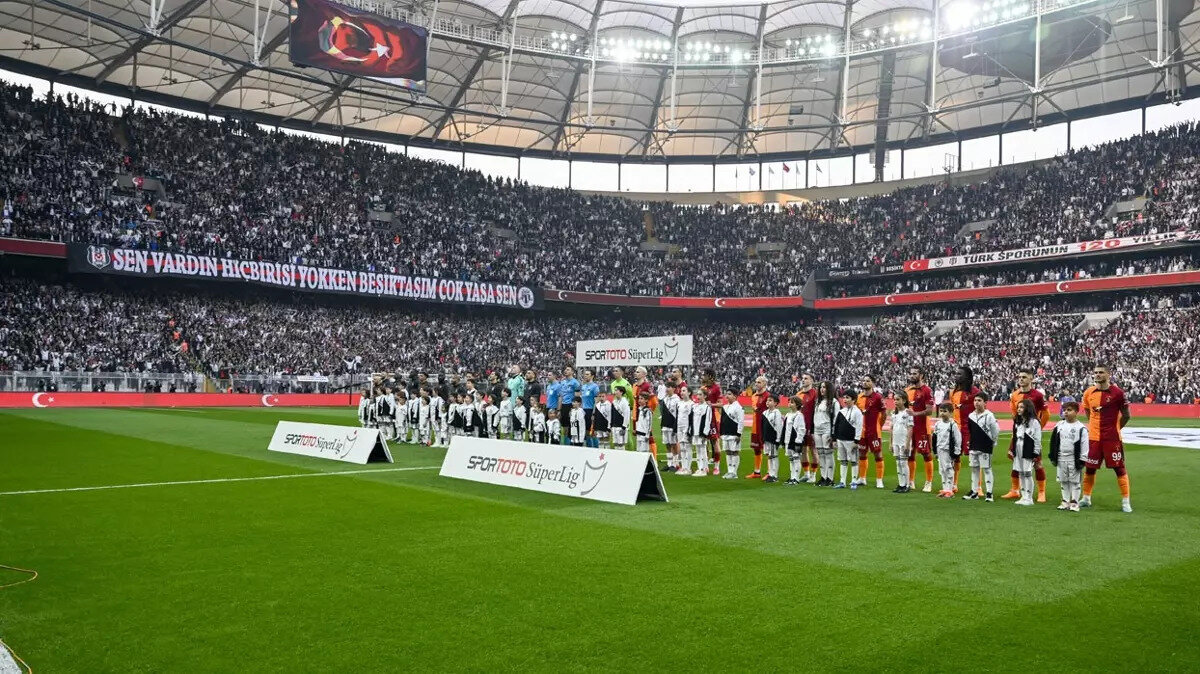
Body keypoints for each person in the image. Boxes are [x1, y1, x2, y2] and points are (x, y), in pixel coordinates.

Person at [1080, 365, 1133, 512]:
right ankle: (1086, 498)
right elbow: (1087, 411)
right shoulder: (1088, 393)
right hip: (1094, 438)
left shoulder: (1118, 393)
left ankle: (1125, 501)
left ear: (1108, 374)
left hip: (1112, 439)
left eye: (1101, 372)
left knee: (1119, 468)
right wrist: (1094, 426)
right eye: (1095, 372)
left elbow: (1127, 415)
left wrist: (1115, 429)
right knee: (1090, 468)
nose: (1097, 375)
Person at [1005, 367, 1050, 502]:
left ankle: (1041, 492)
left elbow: (1046, 414)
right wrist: (1017, 430)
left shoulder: (1037, 395)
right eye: (1019, 377)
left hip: (1031, 435)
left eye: (1024, 377)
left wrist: (1036, 429)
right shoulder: (1015, 395)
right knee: (1015, 461)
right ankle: (1015, 490)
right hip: (1018, 432)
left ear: (1031, 378)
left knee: (1037, 463)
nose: (1021, 379)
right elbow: (1014, 415)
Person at [1050, 400, 1088, 512]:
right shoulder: (1059, 426)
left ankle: (1074, 502)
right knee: (1063, 480)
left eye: (1069, 410)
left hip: (1073, 458)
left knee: (1075, 481)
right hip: (1061, 457)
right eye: (1064, 410)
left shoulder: (1081, 428)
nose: (1066, 412)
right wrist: (1053, 456)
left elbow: (1084, 444)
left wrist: (1083, 459)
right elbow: (1054, 442)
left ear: (1076, 412)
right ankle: (1065, 501)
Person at [949, 366, 981, 492]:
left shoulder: (975, 392)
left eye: (959, 374)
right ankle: (954, 484)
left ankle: (978, 487)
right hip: (956, 429)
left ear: (967, 377)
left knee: (974, 457)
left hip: (970, 429)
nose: (956, 376)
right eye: (956, 373)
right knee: (954, 456)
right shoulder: (953, 392)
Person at [906, 367, 936, 492]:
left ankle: (928, 482)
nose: (912, 376)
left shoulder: (927, 390)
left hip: (922, 427)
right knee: (910, 453)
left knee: (926, 453)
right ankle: (910, 481)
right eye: (911, 373)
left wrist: (915, 414)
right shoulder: (907, 390)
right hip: (909, 427)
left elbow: (929, 411)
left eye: (915, 374)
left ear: (921, 375)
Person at [966, 393, 999, 501]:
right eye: (975, 400)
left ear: (985, 403)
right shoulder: (971, 415)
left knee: (987, 469)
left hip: (985, 445)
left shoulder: (989, 415)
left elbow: (995, 430)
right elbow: (970, 430)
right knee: (974, 469)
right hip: (974, 445)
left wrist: (992, 441)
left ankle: (989, 492)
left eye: (979, 400)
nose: (976, 402)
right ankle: (974, 491)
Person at [856, 375, 887, 489]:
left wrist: (879, 426)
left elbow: (884, 414)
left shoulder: (878, 397)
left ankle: (879, 480)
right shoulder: (859, 397)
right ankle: (862, 478)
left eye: (868, 381)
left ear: (873, 383)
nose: (865, 382)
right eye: (864, 380)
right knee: (862, 453)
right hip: (862, 432)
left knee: (878, 454)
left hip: (874, 431)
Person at [1011, 398, 1043, 506]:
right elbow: (1015, 436)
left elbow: (1037, 439)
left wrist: (1036, 452)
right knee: (1020, 472)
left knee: (1027, 472)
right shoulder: (1018, 421)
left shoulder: (1034, 422)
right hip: (1019, 446)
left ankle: (1029, 498)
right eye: (1018, 407)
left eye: (1021, 407)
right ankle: (1023, 496)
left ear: (1027, 408)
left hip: (1028, 447)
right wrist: (1013, 450)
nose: (1019, 409)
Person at [832, 390, 863, 489]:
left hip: (851, 441)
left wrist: (856, 441)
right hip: (840, 440)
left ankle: (854, 481)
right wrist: (834, 439)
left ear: (853, 400)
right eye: (844, 397)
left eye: (847, 398)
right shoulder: (841, 411)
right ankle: (842, 481)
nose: (845, 400)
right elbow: (836, 425)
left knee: (854, 461)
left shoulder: (857, 412)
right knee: (843, 461)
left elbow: (859, 427)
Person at [931, 403, 962, 498]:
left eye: (945, 411)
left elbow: (958, 438)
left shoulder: (953, 425)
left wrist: (957, 451)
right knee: (942, 469)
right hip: (940, 449)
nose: (942, 413)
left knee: (948, 468)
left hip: (948, 450)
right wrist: (935, 451)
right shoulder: (938, 424)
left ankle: (950, 489)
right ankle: (945, 488)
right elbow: (935, 437)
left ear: (951, 413)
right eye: (941, 411)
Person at [813, 382, 837, 486]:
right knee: (821, 454)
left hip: (827, 430)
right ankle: (823, 477)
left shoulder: (834, 402)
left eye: (824, 387)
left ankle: (830, 478)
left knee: (828, 454)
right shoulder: (818, 401)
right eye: (821, 387)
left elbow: (836, 419)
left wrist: (834, 435)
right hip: (817, 430)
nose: (822, 389)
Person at [747, 375, 771, 479]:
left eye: (759, 382)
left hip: (764, 427)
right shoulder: (753, 396)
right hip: (755, 427)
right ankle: (757, 472)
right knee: (756, 449)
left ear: (765, 384)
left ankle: (770, 472)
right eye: (756, 382)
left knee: (767, 450)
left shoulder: (768, 396)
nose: (756, 384)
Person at [797, 374, 819, 483]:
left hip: (812, 427)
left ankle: (813, 474)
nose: (803, 380)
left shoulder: (815, 394)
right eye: (803, 378)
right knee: (803, 451)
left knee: (813, 450)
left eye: (806, 378)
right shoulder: (799, 394)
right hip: (801, 428)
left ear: (812, 381)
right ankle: (806, 474)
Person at [700, 368, 723, 476]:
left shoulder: (716, 388)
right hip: (703, 418)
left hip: (713, 417)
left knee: (715, 441)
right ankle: (705, 466)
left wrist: (711, 404)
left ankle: (717, 467)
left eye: (704, 374)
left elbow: (721, 404)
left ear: (710, 376)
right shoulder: (702, 388)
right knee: (704, 443)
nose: (703, 376)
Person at [891, 395, 915, 493]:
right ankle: (901, 484)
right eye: (894, 400)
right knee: (898, 463)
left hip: (904, 441)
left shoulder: (908, 412)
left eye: (898, 399)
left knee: (903, 463)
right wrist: (891, 443)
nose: (895, 402)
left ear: (904, 400)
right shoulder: (894, 413)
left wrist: (907, 443)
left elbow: (910, 428)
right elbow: (891, 428)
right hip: (895, 441)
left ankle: (907, 484)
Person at [719, 391, 744, 480]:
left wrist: (739, 434)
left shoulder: (738, 407)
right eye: (727, 394)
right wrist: (721, 432)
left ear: (735, 396)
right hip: (725, 433)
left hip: (734, 434)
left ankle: (734, 472)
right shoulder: (725, 407)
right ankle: (729, 471)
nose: (727, 396)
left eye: (729, 394)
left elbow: (741, 421)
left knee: (734, 451)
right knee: (728, 451)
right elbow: (722, 421)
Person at [783, 395, 807, 485]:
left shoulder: (799, 415)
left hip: (795, 440)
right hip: (788, 440)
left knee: (796, 458)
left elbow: (801, 429)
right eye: (789, 402)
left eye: (792, 402)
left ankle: (796, 478)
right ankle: (792, 477)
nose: (789, 403)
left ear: (797, 405)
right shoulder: (788, 415)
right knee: (791, 459)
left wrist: (798, 441)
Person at [761, 395, 785, 483]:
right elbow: (762, 426)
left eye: (770, 400)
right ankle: (770, 474)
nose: (768, 402)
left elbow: (778, 426)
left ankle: (774, 475)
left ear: (775, 403)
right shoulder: (764, 413)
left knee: (773, 456)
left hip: (773, 438)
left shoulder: (776, 413)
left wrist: (778, 438)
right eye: (767, 400)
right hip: (766, 438)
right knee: (769, 456)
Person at [689, 390, 713, 477]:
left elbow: (708, 421)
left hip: (701, 432)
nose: (698, 396)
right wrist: (691, 430)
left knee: (702, 450)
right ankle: (703, 468)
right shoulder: (695, 407)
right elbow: (692, 420)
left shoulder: (707, 408)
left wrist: (705, 434)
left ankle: (702, 469)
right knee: (698, 450)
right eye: (697, 394)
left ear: (705, 396)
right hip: (695, 431)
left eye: (700, 394)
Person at [558, 366, 581, 444]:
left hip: (571, 406)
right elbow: (561, 396)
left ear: (572, 372)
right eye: (565, 369)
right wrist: (559, 409)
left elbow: (577, 397)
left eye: (568, 369)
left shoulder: (575, 383)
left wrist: (575, 409)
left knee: (572, 426)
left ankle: (571, 443)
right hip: (563, 406)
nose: (565, 371)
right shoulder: (562, 382)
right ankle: (565, 443)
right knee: (564, 427)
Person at [660, 384, 680, 471]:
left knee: (674, 444)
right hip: (665, 425)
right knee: (667, 444)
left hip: (672, 425)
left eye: (669, 387)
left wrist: (675, 427)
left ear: (674, 389)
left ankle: (675, 464)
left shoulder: (677, 400)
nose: (667, 389)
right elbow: (663, 414)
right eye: (666, 387)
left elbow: (678, 415)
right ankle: (669, 463)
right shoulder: (664, 399)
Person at [675, 386, 694, 475]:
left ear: (689, 393)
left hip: (687, 428)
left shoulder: (692, 404)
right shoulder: (679, 403)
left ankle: (688, 468)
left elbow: (692, 418)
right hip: (679, 427)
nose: (681, 393)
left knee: (687, 447)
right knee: (682, 447)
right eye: (681, 391)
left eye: (684, 391)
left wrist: (690, 429)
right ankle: (683, 467)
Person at [580, 369, 601, 448]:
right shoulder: (583, 386)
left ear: (592, 376)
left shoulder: (595, 387)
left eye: (587, 374)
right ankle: (589, 447)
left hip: (590, 410)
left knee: (591, 431)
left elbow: (597, 401)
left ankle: (596, 448)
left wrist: (594, 413)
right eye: (585, 374)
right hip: (583, 410)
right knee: (585, 430)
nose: (585, 376)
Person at [610, 386, 630, 451]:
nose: (614, 392)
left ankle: (622, 459)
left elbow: (627, 415)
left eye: (616, 390)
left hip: (621, 427)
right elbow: (612, 414)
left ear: (621, 392)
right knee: (615, 444)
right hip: (614, 426)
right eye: (614, 390)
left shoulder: (625, 402)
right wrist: (611, 425)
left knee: (621, 444)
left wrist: (624, 427)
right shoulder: (614, 402)